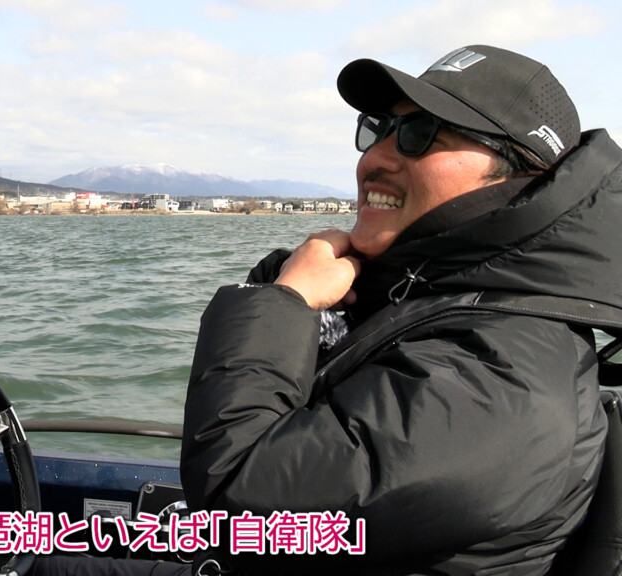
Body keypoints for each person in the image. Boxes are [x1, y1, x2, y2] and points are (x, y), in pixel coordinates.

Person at [33, 44, 622, 576]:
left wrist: (285, 302)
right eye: (378, 129)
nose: (375, 159)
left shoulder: (503, 377)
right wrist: (287, 285)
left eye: (419, 134)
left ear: (521, 175)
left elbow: (241, 507)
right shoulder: (431, 301)